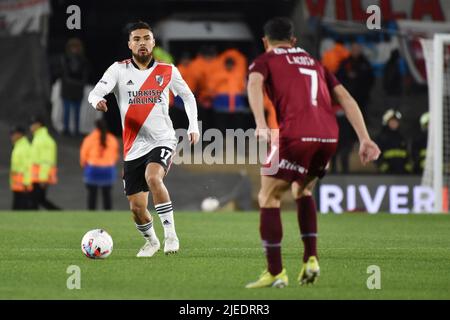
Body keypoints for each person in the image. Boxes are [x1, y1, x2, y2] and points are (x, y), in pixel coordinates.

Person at [246, 17, 380, 288]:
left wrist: (260, 123)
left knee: (268, 196)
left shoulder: (265, 60)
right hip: (328, 137)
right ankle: (310, 259)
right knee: (302, 191)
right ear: (293, 41)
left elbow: (253, 84)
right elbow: (346, 98)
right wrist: (365, 138)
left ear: (265, 41)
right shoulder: (314, 62)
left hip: (296, 136)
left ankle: (275, 272)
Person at [88, 21, 199, 257]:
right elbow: (95, 92)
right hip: (133, 147)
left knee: (153, 177)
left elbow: (188, 98)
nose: (142, 43)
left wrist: (192, 126)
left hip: (163, 139)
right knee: (137, 208)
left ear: (153, 43)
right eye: (136, 39)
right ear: (129, 44)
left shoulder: (168, 70)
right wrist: (96, 101)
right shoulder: (118, 70)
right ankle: (152, 241)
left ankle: (171, 236)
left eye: (146, 38)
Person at [80, 119, 120, 210]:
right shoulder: (112, 139)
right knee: (107, 195)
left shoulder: (89, 139)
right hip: (108, 169)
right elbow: (115, 155)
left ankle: (92, 217)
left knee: (92, 195)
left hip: (93, 169)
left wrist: (85, 167)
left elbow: (83, 156)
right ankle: (108, 217)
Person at [336, 43, 374, 122]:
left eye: (357, 49)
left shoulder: (365, 63)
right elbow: (338, 77)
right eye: (353, 49)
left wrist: (358, 76)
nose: (355, 51)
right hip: (348, 96)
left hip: (361, 97)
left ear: (360, 50)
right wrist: (347, 75)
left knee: (361, 118)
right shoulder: (345, 62)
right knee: (347, 119)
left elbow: (370, 79)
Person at [29, 116, 61, 210]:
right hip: (36, 176)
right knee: (38, 199)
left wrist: (43, 178)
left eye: (32, 124)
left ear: (38, 125)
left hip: (40, 177)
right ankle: (59, 213)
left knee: (36, 200)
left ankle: (59, 213)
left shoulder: (43, 140)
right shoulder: (39, 138)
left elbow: (46, 161)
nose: (30, 127)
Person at [61, 38, 89, 136]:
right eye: (73, 47)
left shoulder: (83, 61)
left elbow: (85, 76)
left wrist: (79, 83)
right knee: (67, 111)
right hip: (68, 89)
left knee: (77, 112)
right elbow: (65, 75)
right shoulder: (65, 59)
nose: (75, 49)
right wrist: (78, 82)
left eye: (76, 47)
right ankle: (66, 129)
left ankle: (76, 130)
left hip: (77, 90)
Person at [375, 109, 412, 174]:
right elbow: (376, 155)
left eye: (396, 121)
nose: (394, 123)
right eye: (392, 121)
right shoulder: (381, 138)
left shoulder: (402, 137)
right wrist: (383, 167)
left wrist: (407, 167)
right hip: (386, 174)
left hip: (403, 173)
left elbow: (407, 154)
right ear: (387, 122)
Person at [9, 125, 33, 210]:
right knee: (19, 208)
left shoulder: (24, 147)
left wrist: (26, 183)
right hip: (17, 184)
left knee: (21, 208)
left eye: (13, 134)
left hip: (22, 184)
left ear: (20, 134)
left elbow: (28, 166)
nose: (11, 136)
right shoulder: (19, 146)